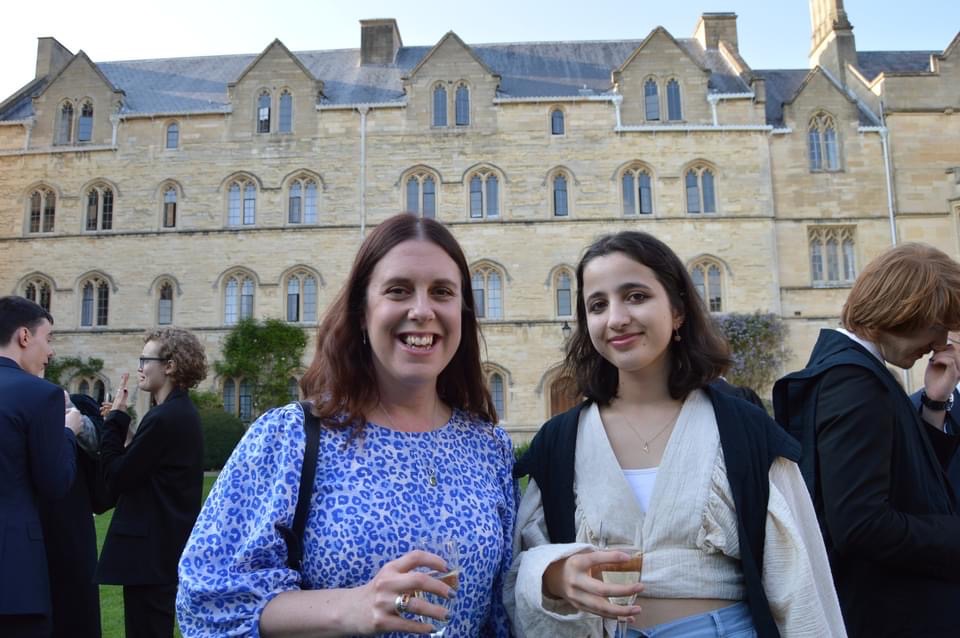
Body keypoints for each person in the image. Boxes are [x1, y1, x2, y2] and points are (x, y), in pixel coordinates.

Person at [177, 213, 517, 636]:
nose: (422, 310)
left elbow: (502, 610)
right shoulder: (290, 438)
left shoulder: (488, 447)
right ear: (362, 312)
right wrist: (349, 607)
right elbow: (205, 599)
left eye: (442, 292)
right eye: (398, 290)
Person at [508, 231, 844, 637]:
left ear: (678, 310)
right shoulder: (560, 441)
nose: (616, 318)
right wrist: (553, 574)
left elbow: (798, 579)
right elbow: (520, 566)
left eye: (635, 296)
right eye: (598, 305)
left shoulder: (743, 429)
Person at [773, 243, 960, 637]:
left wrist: (933, 403)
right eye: (936, 324)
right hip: (890, 616)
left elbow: (900, 472)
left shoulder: (856, 371)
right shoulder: (853, 382)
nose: (941, 340)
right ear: (900, 312)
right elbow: (861, 526)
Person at [96, 328, 208, 638]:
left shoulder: (165, 417)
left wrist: (114, 423)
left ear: (169, 366)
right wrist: (127, 431)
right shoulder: (177, 413)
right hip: (161, 550)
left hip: (150, 554)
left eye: (146, 359)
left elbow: (116, 476)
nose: (139, 367)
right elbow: (148, 466)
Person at [0, 295, 82, 636]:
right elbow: (55, 482)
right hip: (14, 573)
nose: (49, 352)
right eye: (47, 339)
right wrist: (67, 433)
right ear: (24, 337)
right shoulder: (40, 395)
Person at [38, 390, 115, 638]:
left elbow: (99, 448)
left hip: (71, 519)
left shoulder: (71, 402)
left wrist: (76, 423)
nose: (49, 352)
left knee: (76, 604)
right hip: (31, 525)